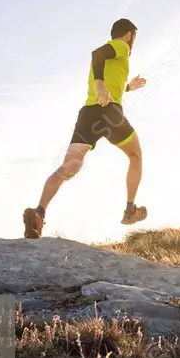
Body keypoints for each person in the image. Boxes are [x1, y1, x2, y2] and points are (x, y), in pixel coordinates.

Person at [22, 18, 148, 238]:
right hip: (110, 112)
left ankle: (39, 212)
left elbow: (111, 82)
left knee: (71, 165)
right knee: (136, 155)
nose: (133, 42)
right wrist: (100, 85)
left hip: (89, 114)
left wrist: (128, 87)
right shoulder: (122, 46)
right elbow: (96, 54)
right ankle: (130, 210)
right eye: (134, 37)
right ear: (129, 34)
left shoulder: (114, 60)